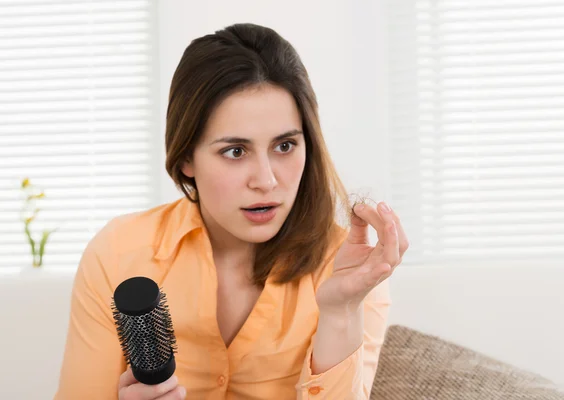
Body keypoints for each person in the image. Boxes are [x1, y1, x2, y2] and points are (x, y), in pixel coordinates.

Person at [54, 23, 408, 400]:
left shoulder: (351, 271)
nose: (266, 180)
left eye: (285, 145)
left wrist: (341, 314)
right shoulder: (118, 253)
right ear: (187, 156)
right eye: (235, 151)